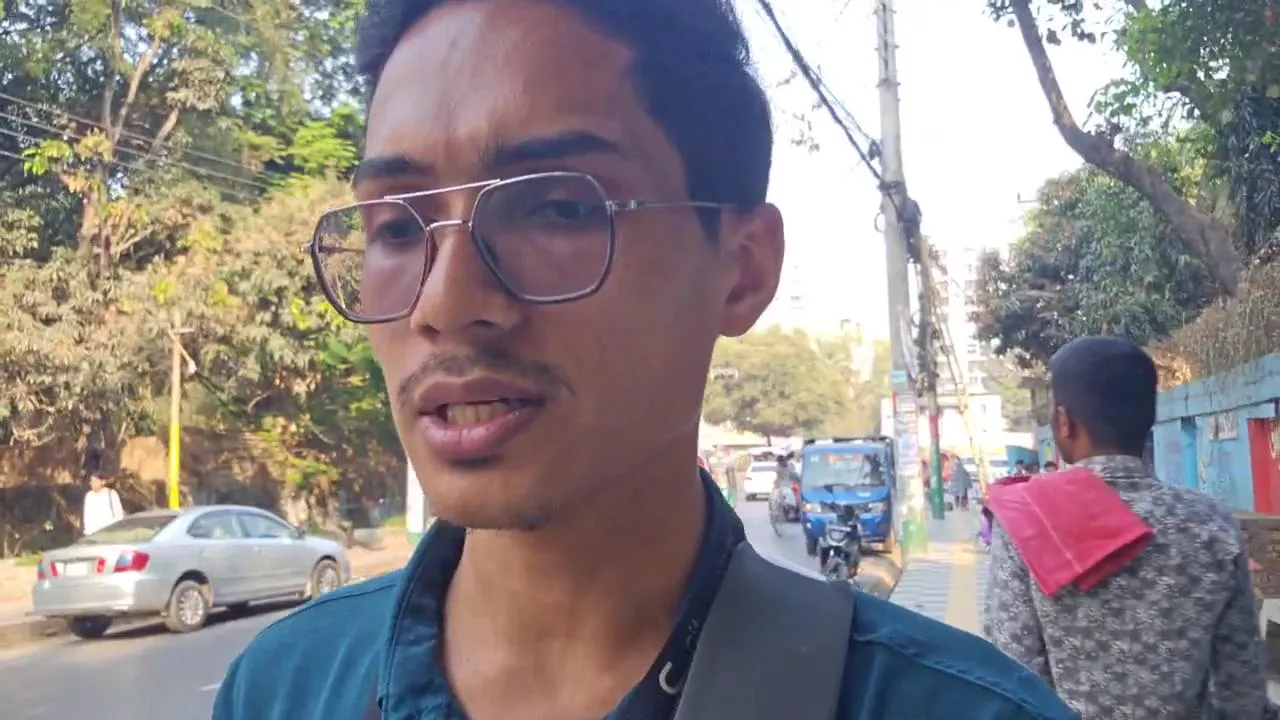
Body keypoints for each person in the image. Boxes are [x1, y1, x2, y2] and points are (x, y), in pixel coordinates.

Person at [214, 1, 1074, 718]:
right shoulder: (284, 689)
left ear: (742, 269)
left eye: (556, 208)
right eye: (396, 228)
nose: (443, 302)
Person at [984, 336, 1272, 719]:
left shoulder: (1029, 522)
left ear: (1065, 423)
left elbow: (1012, 676)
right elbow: (1241, 691)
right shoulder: (1213, 525)